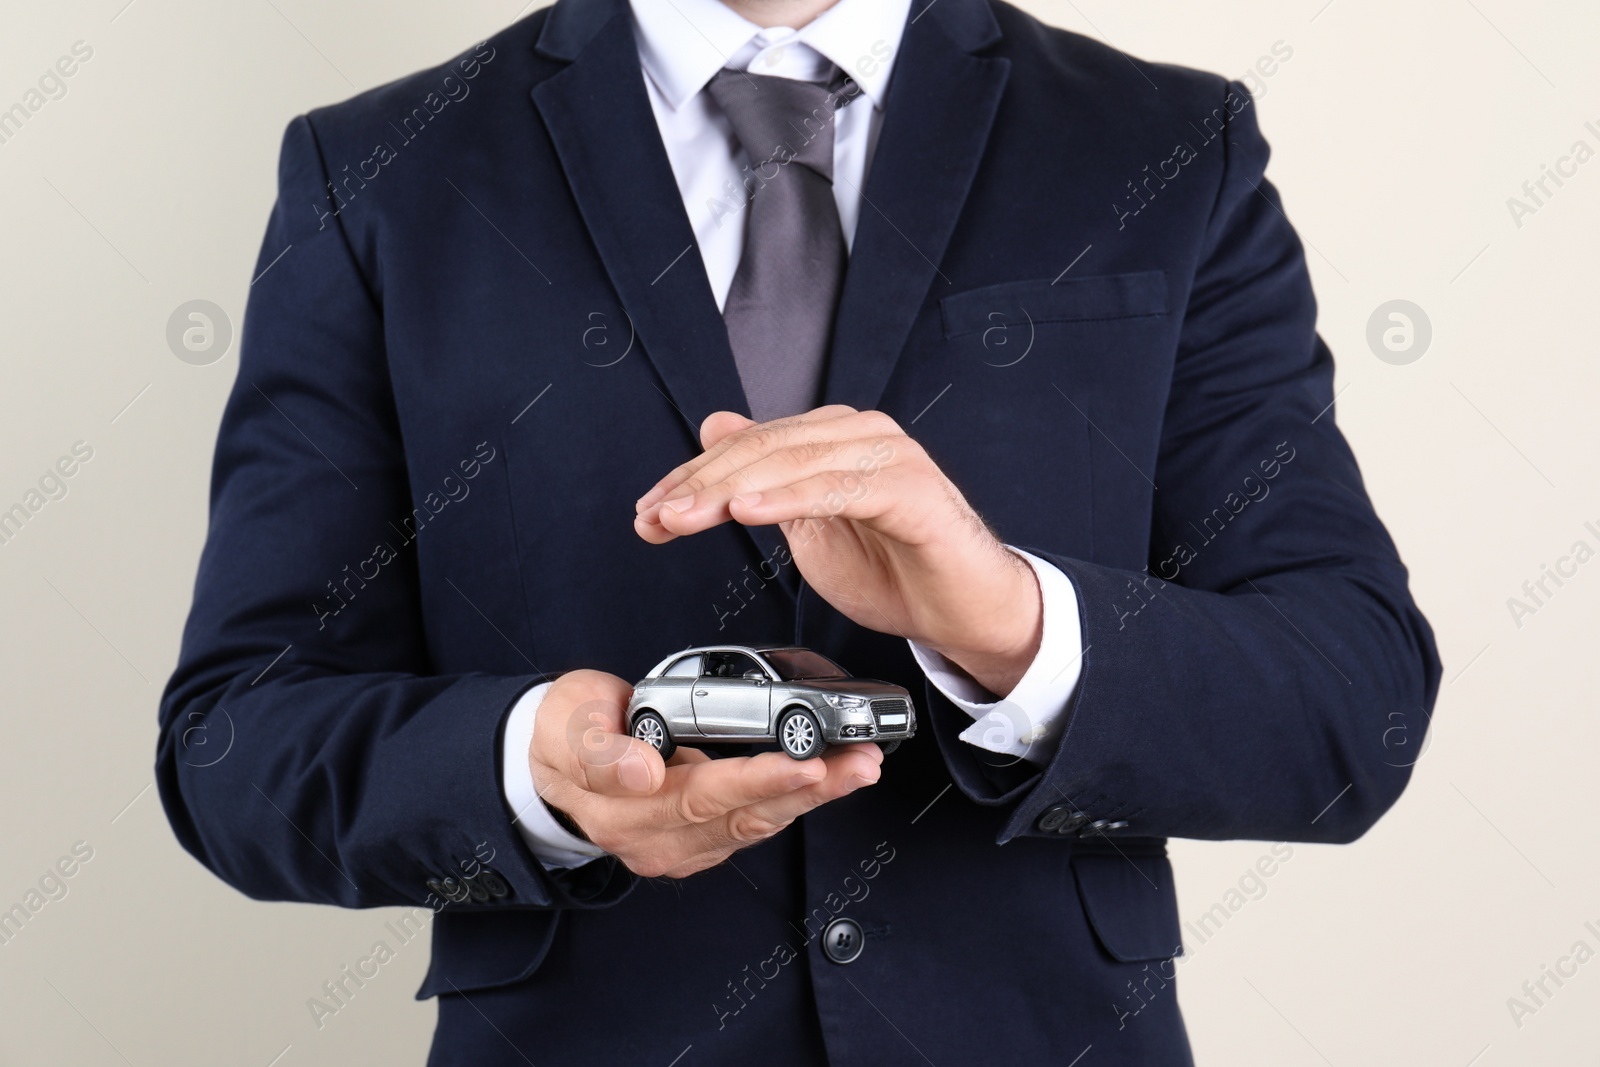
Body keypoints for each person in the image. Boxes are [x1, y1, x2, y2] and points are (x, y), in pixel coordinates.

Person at [157, 0, 1441, 1062]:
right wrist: (534, 772)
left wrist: (1009, 624)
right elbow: (234, 741)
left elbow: (1352, 696)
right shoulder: (383, 172)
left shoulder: (1163, 145)